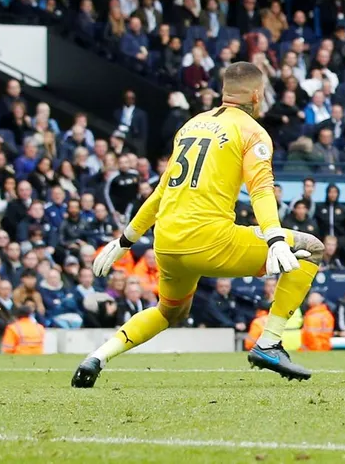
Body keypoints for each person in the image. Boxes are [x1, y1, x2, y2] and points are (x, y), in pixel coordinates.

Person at [73, 62, 325, 388]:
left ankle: (97, 357)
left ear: (223, 91)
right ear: (256, 94)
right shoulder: (252, 131)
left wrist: (125, 241)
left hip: (167, 241)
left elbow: (161, 191)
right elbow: (261, 189)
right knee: (312, 248)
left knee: (170, 312)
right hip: (211, 240)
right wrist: (276, 238)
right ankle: (269, 343)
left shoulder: (191, 125)